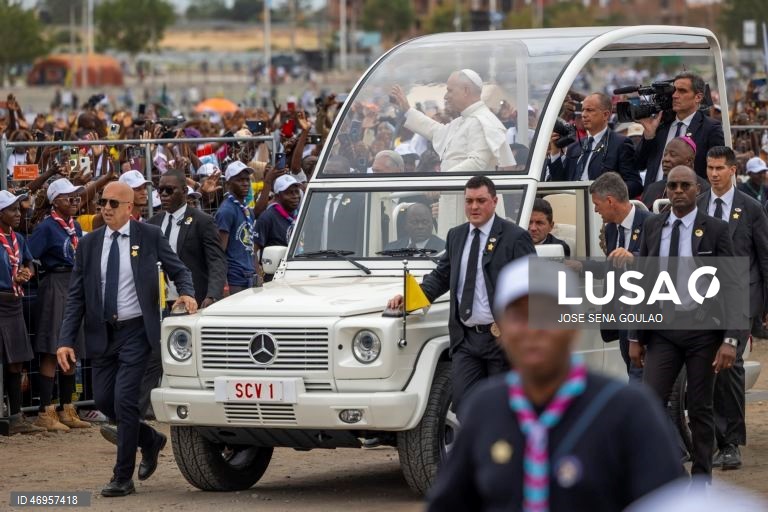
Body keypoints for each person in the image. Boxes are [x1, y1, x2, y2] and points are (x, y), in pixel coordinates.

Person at [426, 258, 684, 512]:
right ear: (501, 330)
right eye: (518, 316)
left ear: (574, 325)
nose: (533, 329)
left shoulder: (627, 411)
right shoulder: (485, 409)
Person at [56, 182, 197, 497]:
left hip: (137, 332)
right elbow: (77, 296)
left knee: (125, 401)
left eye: (113, 203)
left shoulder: (148, 236)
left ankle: (122, 477)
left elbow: (178, 269)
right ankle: (150, 440)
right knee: (106, 402)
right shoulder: (89, 244)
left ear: (130, 208)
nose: (106, 207)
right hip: (103, 333)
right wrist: (65, 340)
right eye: (103, 202)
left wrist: (187, 292)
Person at [386, 176, 536, 413]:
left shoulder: (515, 237)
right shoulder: (456, 236)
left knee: (504, 409)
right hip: (466, 339)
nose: (474, 207)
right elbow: (441, 276)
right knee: (465, 405)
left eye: (480, 200)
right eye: (469, 201)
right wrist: (411, 298)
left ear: (494, 201)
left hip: (502, 340)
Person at [629, 165, 741, 480]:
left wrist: (730, 340)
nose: (678, 191)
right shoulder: (653, 226)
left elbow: (733, 284)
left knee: (701, 408)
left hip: (703, 332)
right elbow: (641, 282)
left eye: (684, 185)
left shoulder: (716, 229)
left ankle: (701, 478)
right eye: (673, 186)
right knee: (650, 403)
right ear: (666, 190)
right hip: (662, 330)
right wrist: (635, 336)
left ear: (697, 190)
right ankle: (674, 473)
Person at [697, 146, 768, 470]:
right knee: (705, 365)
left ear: (732, 171)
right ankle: (707, 438)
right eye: (710, 168)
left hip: (742, 296)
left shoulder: (750, 208)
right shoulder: (698, 205)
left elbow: (764, 256)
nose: (713, 174)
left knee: (730, 362)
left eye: (719, 168)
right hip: (705, 296)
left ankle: (731, 443)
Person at [569, 173, 650, 382]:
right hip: (621, 316)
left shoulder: (652, 224)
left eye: (597, 204)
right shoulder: (611, 230)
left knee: (640, 378)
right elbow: (612, 265)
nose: (596, 210)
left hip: (646, 315)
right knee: (632, 372)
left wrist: (634, 258)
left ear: (610, 201)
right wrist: (582, 266)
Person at [28, 178, 92, 431]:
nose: (75, 201)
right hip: (55, 284)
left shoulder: (74, 225)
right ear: (55, 202)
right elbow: (29, 253)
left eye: (77, 197)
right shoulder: (46, 228)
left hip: (74, 284)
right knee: (53, 347)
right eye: (69, 198)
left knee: (72, 345)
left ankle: (67, 408)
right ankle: (46, 411)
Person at [390, 69, 515, 172]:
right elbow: (435, 131)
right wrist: (408, 109)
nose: (445, 96)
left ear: (466, 90)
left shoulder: (482, 121)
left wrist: (442, 182)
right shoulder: (463, 120)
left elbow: (477, 163)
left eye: (450, 90)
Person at [0, 191, 44, 435]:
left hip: (15, 304)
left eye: (19, 209)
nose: (18, 214)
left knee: (16, 361)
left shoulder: (18, 238)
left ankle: (15, 416)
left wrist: (27, 272)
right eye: (12, 210)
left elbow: (28, 262)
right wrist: (11, 277)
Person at [636, 72, 725, 187]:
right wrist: (648, 137)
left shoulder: (710, 128)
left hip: (690, 200)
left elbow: (717, 169)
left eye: (682, 91)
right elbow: (639, 164)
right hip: (654, 200)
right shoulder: (660, 125)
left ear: (698, 97)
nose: (674, 95)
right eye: (674, 90)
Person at [545, 93, 642, 197]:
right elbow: (560, 184)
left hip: (603, 208)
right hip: (573, 205)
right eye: (583, 110)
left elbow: (635, 184)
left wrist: (608, 196)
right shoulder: (574, 147)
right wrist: (555, 153)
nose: (583, 114)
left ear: (605, 115)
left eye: (589, 110)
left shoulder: (620, 143)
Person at [214, 161, 256, 294]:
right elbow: (220, 250)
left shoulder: (246, 209)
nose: (245, 183)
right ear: (228, 184)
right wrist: (224, 283)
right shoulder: (226, 210)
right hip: (235, 280)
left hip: (249, 276)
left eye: (247, 179)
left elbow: (251, 244)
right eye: (239, 180)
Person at [641, 136, 710, 211]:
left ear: (689, 161)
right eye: (665, 155)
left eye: (673, 155)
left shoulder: (705, 189)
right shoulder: (653, 188)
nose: (665, 159)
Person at [254, 174, 301, 255]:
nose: (295, 196)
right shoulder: (267, 218)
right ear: (277, 196)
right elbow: (253, 251)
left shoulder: (301, 214)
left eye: (297, 192)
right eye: (289, 193)